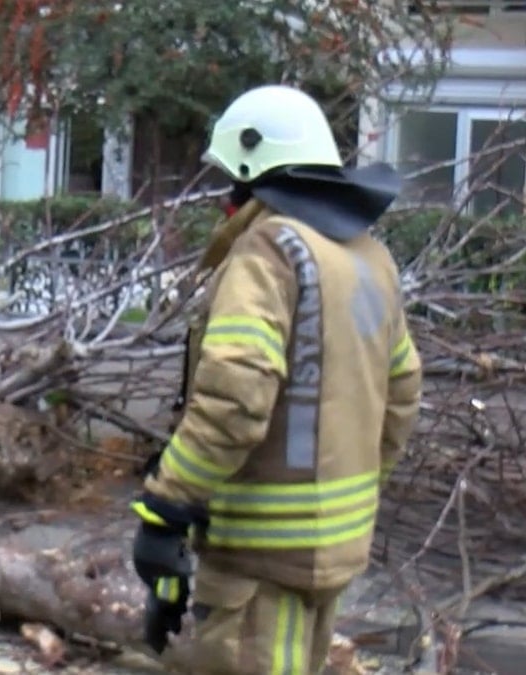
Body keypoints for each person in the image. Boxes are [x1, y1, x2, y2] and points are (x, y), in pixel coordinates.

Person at [128, 84, 424, 675]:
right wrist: (351, 492)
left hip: (257, 556)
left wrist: (167, 504)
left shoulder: (270, 251)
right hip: (336, 545)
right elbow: (402, 393)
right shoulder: (369, 257)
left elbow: (235, 400)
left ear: (248, 171)